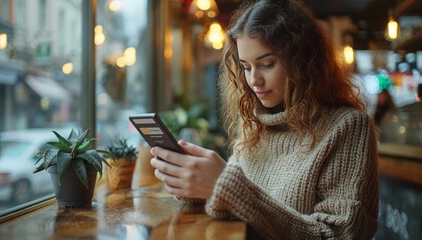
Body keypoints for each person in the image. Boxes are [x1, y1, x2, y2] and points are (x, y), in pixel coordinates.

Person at [150, 0, 379, 239]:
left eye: (267, 64)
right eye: (246, 67)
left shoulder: (348, 127)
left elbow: (338, 234)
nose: (254, 80)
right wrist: (199, 187)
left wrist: (226, 187)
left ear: (302, 60)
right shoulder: (255, 124)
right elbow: (244, 211)